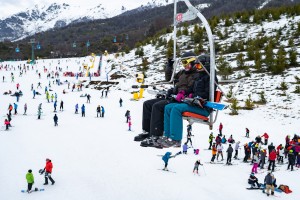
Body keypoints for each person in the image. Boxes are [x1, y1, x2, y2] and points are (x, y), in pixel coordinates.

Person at [135, 52, 202, 146]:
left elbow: (191, 88)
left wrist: (180, 93)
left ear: (193, 63)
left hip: (181, 99)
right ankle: (147, 131)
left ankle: (156, 135)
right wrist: (169, 66)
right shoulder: (182, 73)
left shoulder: (196, 75)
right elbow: (169, 78)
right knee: (147, 104)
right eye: (183, 63)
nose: (185, 65)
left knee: (157, 106)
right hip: (174, 96)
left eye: (186, 63)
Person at [156, 53, 216, 148]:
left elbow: (207, 94)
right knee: (168, 107)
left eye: (199, 65)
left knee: (176, 108)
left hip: (203, 107)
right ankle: (167, 136)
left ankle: (176, 139)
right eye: (196, 65)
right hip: (194, 103)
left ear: (206, 65)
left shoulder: (211, 78)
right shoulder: (199, 77)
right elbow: (191, 88)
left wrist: (196, 96)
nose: (197, 67)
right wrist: (184, 92)